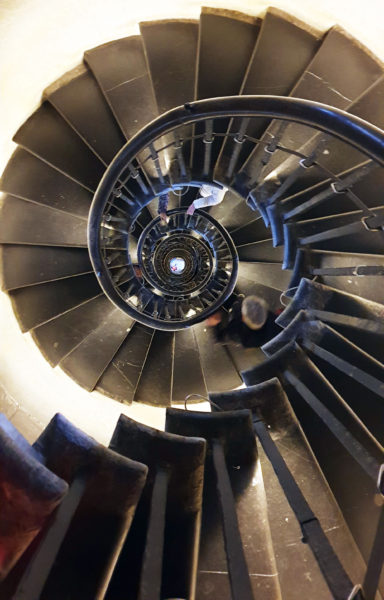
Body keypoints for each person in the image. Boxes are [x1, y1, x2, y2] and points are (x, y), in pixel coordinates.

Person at [207, 295, 281, 348]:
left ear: (243, 319)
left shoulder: (239, 333)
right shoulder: (273, 320)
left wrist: (215, 325)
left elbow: (220, 338)